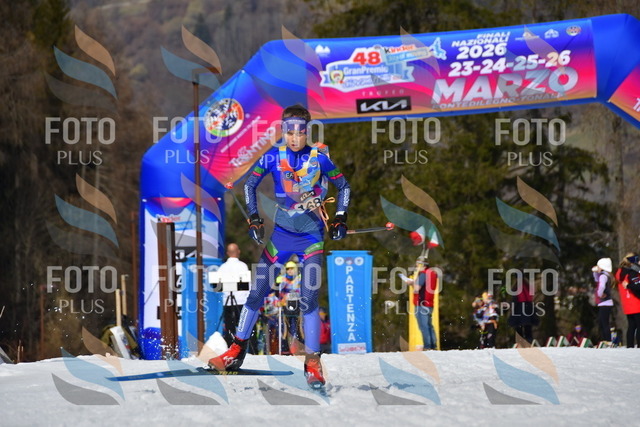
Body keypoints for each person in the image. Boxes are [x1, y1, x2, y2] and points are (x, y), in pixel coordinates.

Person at [209, 104, 350, 389]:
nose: (294, 137)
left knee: (309, 298)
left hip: (311, 239)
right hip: (281, 238)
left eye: (300, 132)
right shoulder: (272, 156)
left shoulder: (319, 159)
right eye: (289, 131)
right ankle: (236, 350)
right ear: (283, 130)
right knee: (256, 293)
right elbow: (249, 185)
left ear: (307, 132)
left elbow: (344, 186)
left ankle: (313, 363)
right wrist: (254, 219)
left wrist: (340, 218)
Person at [216, 243, 251, 348]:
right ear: (238, 251)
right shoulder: (242, 266)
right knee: (244, 326)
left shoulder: (222, 267)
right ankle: (247, 348)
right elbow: (248, 285)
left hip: (227, 301)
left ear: (228, 253)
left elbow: (218, 286)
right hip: (241, 300)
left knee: (229, 327)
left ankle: (230, 346)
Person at [406, 258, 437, 350]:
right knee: (429, 325)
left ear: (422, 265)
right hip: (429, 303)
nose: (416, 266)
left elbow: (417, 288)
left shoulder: (423, 274)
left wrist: (411, 283)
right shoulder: (432, 273)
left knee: (423, 326)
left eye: (417, 264)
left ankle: (427, 346)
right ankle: (433, 345)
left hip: (421, 304)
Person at [615, 253, 640, 347]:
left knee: (632, 326)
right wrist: (630, 286)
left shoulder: (620, 272)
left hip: (627, 303)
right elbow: (637, 286)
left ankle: (630, 346)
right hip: (636, 302)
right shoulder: (632, 272)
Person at [507, 277, 538, 343]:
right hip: (528, 307)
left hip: (520, 307)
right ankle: (529, 340)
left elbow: (515, 298)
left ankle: (521, 340)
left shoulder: (517, 286)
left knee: (519, 325)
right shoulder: (527, 285)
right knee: (527, 325)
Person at [592, 257, 614, 344]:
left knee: (604, 323)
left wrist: (599, 294)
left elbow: (601, 286)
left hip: (605, 302)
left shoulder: (603, 276)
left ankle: (607, 340)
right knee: (602, 323)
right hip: (605, 303)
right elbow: (596, 279)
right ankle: (605, 340)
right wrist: (595, 272)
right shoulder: (606, 275)